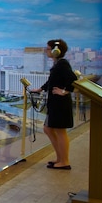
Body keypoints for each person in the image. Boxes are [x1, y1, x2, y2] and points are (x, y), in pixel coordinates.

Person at [29, 38, 77, 169]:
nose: (46, 51)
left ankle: (64, 161)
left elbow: (73, 79)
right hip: (55, 103)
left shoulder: (62, 64)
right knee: (48, 129)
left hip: (60, 103)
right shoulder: (57, 64)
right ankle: (60, 158)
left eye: (48, 49)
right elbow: (52, 81)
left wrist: (64, 91)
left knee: (60, 131)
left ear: (56, 51)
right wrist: (40, 89)